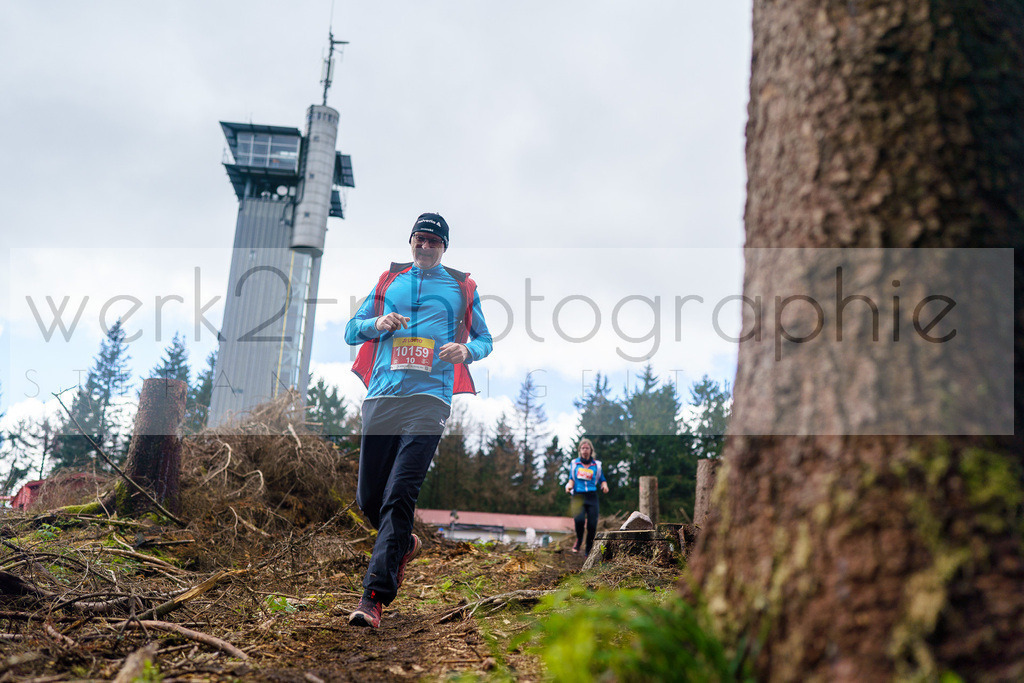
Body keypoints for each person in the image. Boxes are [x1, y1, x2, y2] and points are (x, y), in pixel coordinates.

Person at [345, 212, 493, 628]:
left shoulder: (461, 286)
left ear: (444, 248)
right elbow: (351, 330)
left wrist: (468, 352)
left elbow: (485, 338)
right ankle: (402, 543)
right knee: (369, 499)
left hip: (430, 398)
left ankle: (373, 597)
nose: (426, 246)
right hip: (383, 395)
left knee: (399, 494)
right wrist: (378, 323)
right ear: (410, 242)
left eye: (434, 241)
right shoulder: (388, 281)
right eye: (420, 239)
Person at [565, 438, 608, 555]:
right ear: (580, 450)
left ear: (591, 450)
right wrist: (568, 486)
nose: (585, 450)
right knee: (579, 520)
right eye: (583, 448)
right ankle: (579, 540)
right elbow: (571, 479)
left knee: (592, 525)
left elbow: (602, 479)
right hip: (578, 495)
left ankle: (588, 549)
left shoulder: (597, 465)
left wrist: (604, 486)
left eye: (587, 448)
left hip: (592, 496)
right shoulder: (575, 463)